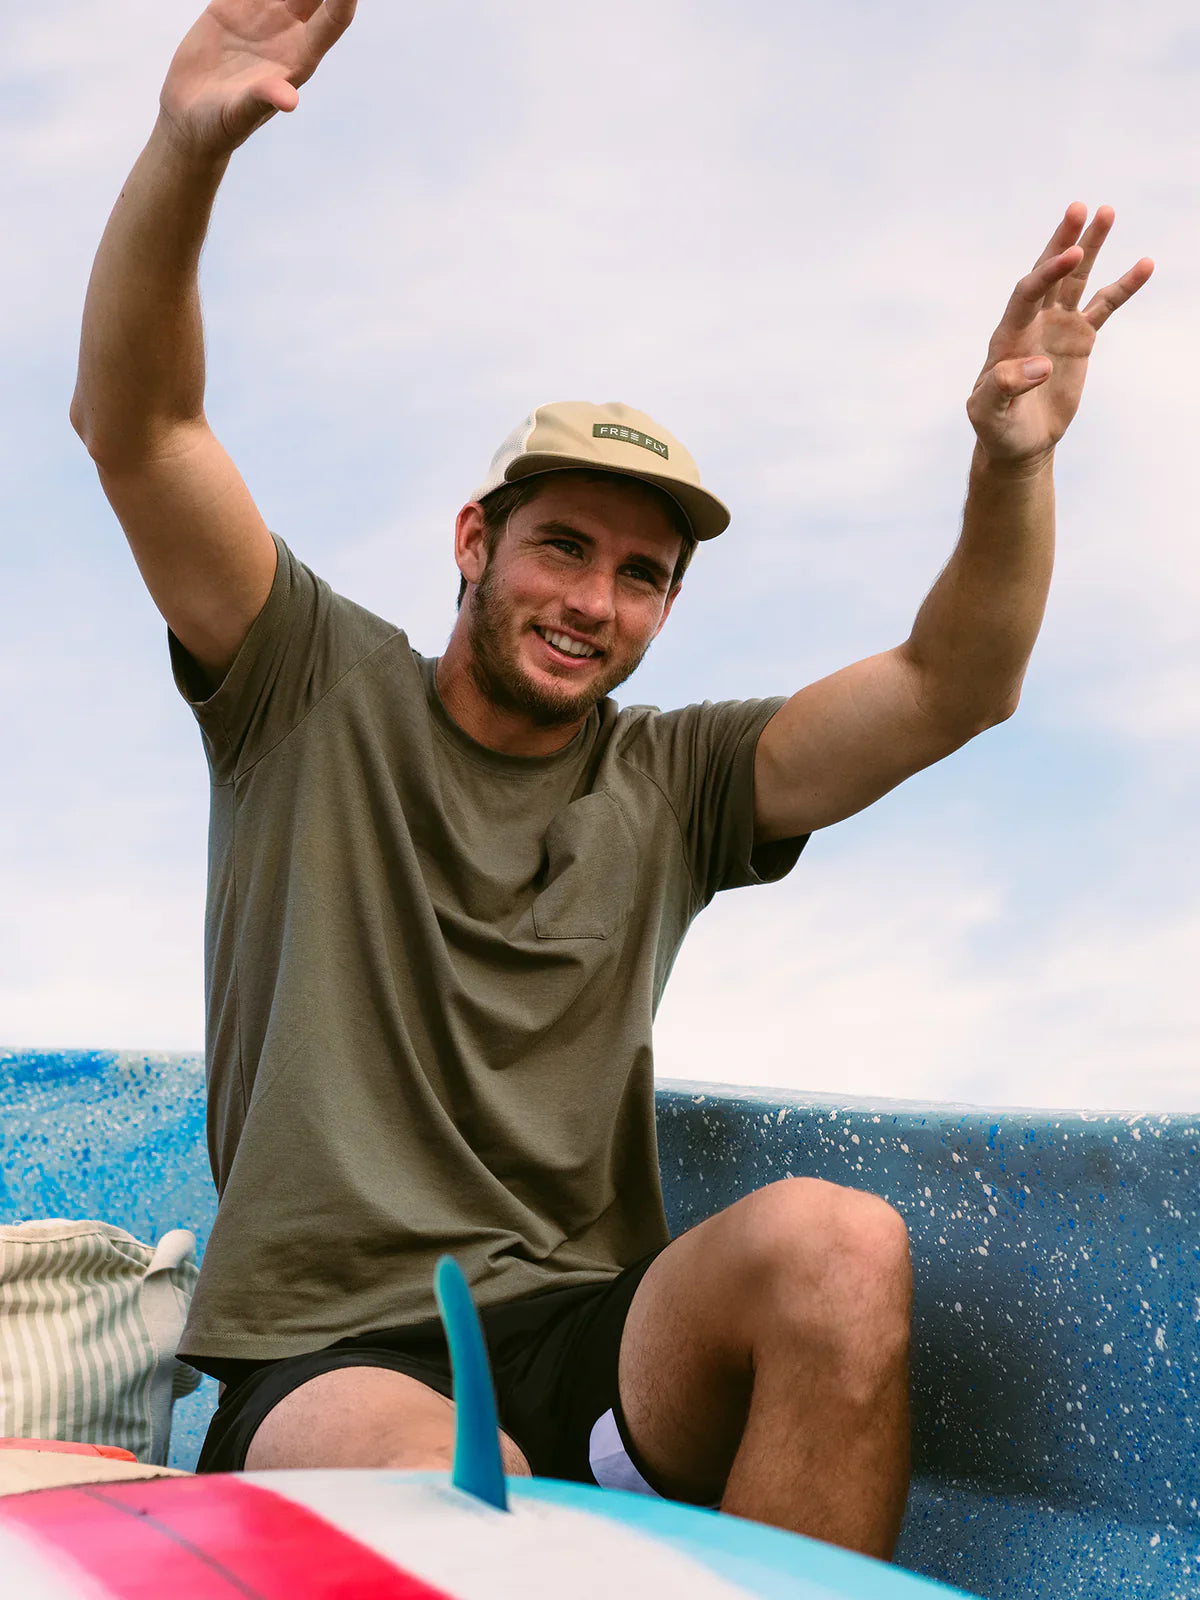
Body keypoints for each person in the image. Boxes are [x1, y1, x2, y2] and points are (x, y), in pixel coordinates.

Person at [69, 0, 1151, 1564]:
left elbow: (954, 685)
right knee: (460, 1485)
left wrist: (1013, 462)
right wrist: (187, 149)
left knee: (842, 1250)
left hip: (593, 1335)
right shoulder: (305, 683)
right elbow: (139, 424)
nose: (594, 601)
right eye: (563, 547)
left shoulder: (680, 778)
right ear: (475, 541)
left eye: (641, 575)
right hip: (332, 1358)